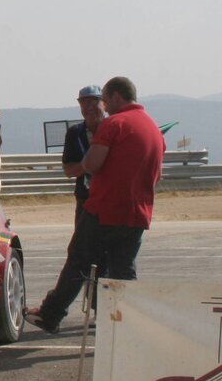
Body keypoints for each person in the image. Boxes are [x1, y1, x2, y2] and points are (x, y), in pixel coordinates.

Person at [24, 85, 108, 334]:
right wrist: (89, 164)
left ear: (104, 103)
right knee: (85, 256)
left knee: (96, 258)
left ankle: (59, 312)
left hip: (109, 202)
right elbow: (69, 169)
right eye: (84, 103)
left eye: (94, 102)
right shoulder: (75, 133)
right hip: (85, 201)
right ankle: (97, 313)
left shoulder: (113, 128)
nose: (89, 107)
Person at [80, 76, 164, 279]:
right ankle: (123, 310)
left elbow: (92, 164)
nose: (106, 108)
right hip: (137, 212)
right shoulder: (153, 128)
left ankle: (52, 310)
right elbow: (157, 175)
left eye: (106, 102)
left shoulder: (113, 123)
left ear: (116, 97)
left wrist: (82, 164)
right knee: (124, 268)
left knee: (79, 261)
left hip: (106, 209)